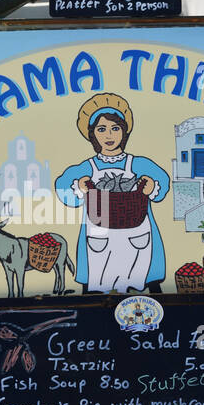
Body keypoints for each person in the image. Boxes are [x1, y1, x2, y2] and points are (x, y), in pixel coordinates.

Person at [55, 93, 170, 293]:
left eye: (115, 128)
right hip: (100, 239)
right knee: (96, 286)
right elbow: (63, 187)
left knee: (145, 283)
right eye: (102, 129)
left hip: (137, 235)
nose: (109, 135)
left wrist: (153, 186)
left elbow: (163, 182)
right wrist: (79, 187)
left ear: (124, 132)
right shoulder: (87, 167)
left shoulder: (138, 164)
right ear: (93, 134)